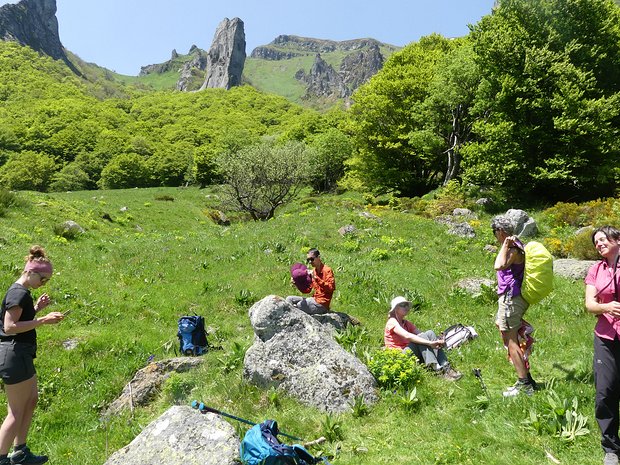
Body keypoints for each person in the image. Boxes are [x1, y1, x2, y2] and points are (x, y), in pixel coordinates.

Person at [0, 246, 64, 465]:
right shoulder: (18, 292)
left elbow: (19, 320)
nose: (43, 284)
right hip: (14, 353)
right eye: (43, 279)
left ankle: (20, 452)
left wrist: (35, 309)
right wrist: (43, 320)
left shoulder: (24, 293)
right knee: (16, 412)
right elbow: (9, 327)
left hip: (21, 354)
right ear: (30, 271)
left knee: (31, 400)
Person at [491, 215, 538, 397]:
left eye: (495, 232)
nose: (495, 236)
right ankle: (527, 378)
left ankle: (524, 384)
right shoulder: (515, 245)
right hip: (512, 297)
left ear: (500, 231)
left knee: (511, 339)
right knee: (511, 335)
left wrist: (504, 244)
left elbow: (499, 265)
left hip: (511, 297)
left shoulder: (512, 248)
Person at [585, 226, 620, 465]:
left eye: (603, 239)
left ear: (617, 239)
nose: (598, 244)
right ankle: (611, 448)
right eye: (595, 242)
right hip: (606, 338)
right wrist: (607, 307)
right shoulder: (595, 270)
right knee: (605, 392)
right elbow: (589, 304)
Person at [384, 296, 461, 381]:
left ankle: (445, 366)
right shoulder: (392, 321)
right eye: (402, 305)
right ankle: (437, 369)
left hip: (409, 352)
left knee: (430, 333)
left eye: (407, 305)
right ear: (395, 308)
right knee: (421, 338)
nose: (406, 307)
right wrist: (430, 343)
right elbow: (407, 336)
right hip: (398, 356)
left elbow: (422, 334)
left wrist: (437, 340)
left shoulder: (406, 323)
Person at [286, 248, 335, 315]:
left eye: (312, 259)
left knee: (300, 305)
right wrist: (297, 284)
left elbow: (331, 288)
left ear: (318, 257)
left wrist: (316, 278)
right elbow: (307, 290)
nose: (310, 262)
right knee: (289, 299)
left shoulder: (327, 270)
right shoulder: (313, 271)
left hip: (322, 303)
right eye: (308, 260)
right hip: (314, 299)